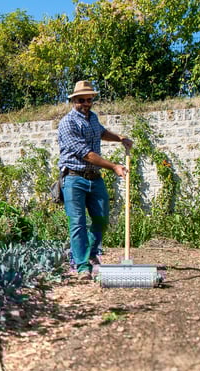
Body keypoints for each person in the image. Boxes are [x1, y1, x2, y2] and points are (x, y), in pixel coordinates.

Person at [58, 80, 133, 280]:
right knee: (77, 223)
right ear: (74, 100)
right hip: (74, 178)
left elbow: (101, 132)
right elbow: (86, 154)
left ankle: (91, 254)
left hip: (95, 178)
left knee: (101, 218)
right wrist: (114, 166)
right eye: (81, 100)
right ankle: (82, 266)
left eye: (89, 99)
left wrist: (120, 138)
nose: (86, 103)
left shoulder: (92, 118)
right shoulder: (67, 123)